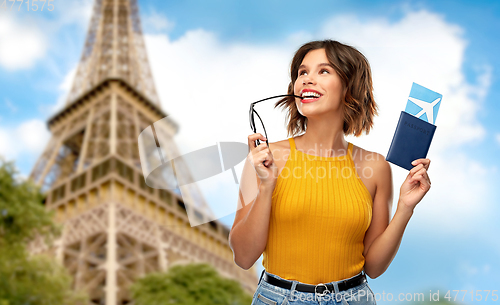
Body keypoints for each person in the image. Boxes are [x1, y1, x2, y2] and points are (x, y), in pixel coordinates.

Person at [228, 40, 432, 305]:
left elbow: (374, 267)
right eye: (302, 73)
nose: (307, 80)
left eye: (323, 71)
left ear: (349, 87)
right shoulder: (266, 158)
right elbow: (243, 258)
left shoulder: (376, 167)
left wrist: (405, 207)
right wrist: (266, 188)